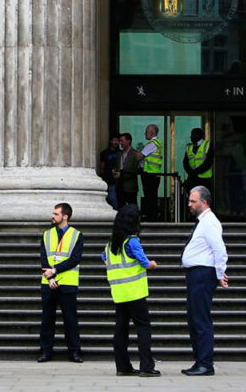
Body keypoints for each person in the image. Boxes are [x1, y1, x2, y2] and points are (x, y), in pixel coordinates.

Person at [102, 205, 159, 377]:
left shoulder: (111, 244)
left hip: (119, 292)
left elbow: (104, 259)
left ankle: (123, 366)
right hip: (135, 291)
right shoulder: (132, 241)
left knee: (121, 329)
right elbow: (144, 261)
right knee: (143, 328)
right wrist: (153, 264)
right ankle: (146, 367)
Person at [181, 185, 228, 376]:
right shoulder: (203, 221)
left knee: (200, 319)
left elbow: (220, 250)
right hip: (196, 274)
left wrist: (219, 274)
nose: (189, 204)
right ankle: (199, 360)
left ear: (204, 202)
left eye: (193, 201)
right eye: (190, 201)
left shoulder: (209, 222)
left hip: (202, 274)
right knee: (194, 319)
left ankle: (205, 363)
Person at [38, 202, 84, 364]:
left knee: (70, 319)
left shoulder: (77, 235)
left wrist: (54, 270)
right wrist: (49, 277)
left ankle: (74, 351)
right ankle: (45, 350)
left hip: (68, 282)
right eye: (53, 213)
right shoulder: (47, 234)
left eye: (56, 214)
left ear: (65, 216)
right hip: (48, 282)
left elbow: (75, 259)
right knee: (47, 319)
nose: (53, 216)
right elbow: (43, 258)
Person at [139, 124, 164, 222]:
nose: (145, 133)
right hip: (153, 174)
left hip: (150, 174)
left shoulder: (152, 144)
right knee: (151, 197)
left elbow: (140, 156)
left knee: (150, 198)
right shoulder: (156, 143)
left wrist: (133, 152)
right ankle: (152, 217)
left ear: (152, 133)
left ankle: (151, 219)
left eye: (146, 131)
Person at [113, 133, 142, 212]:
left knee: (132, 207)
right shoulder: (119, 154)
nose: (120, 143)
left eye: (122, 141)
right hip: (119, 186)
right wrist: (114, 171)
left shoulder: (136, 154)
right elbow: (116, 166)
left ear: (128, 141)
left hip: (130, 186)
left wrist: (121, 174)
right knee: (120, 207)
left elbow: (137, 170)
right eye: (120, 141)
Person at [182, 127, 212, 203]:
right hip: (192, 179)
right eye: (191, 135)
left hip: (204, 179)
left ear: (200, 135)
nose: (191, 137)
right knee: (193, 202)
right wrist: (190, 173)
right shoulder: (189, 147)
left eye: (194, 134)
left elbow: (208, 162)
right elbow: (185, 162)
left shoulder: (208, 145)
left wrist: (195, 172)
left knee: (204, 201)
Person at [98, 136, 121, 210]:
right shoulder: (105, 153)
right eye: (114, 140)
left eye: (118, 140)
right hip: (108, 179)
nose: (116, 142)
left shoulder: (121, 153)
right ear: (110, 141)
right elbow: (102, 165)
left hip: (120, 180)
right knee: (111, 198)